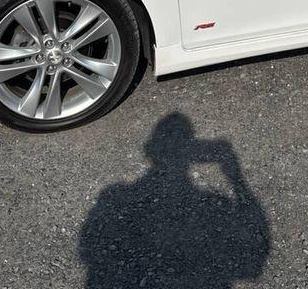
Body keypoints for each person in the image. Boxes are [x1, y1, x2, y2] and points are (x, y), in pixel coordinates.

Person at [79, 112, 269, 288]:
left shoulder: (114, 196)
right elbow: (252, 264)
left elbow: (88, 250)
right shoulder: (214, 205)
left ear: (150, 150)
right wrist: (235, 177)